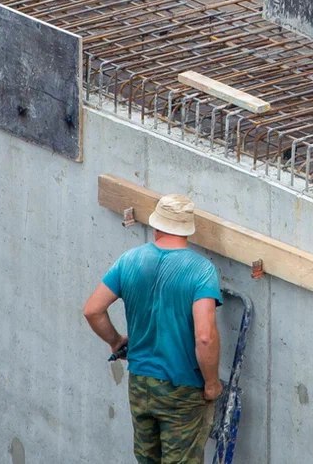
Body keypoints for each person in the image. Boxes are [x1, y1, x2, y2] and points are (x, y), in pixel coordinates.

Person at [83, 194, 223, 464]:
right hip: (182, 389)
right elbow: (205, 337)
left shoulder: (130, 260)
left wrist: (115, 341)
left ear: (157, 225)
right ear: (187, 229)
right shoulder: (201, 271)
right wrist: (211, 383)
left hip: (140, 384)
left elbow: (92, 310)